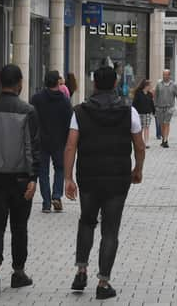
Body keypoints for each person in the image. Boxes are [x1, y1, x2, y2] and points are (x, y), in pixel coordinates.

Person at [64, 66, 145, 300]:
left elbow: (71, 145)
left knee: (87, 221)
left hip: (88, 176)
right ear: (115, 84)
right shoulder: (129, 111)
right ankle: (103, 282)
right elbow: (139, 145)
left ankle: (81, 270)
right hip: (118, 178)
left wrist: (68, 177)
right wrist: (137, 169)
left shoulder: (79, 111)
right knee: (110, 229)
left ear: (95, 84)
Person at [0, 64, 41, 299]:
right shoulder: (27, 111)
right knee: (19, 226)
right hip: (20, 178)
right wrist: (34, 178)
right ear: (19, 83)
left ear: (0, 81)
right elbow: (33, 148)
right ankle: (18, 272)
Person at [31, 70, 73, 213]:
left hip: (41, 141)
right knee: (60, 169)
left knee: (42, 172)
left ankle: (46, 203)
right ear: (57, 82)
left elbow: (31, 120)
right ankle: (56, 195)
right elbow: (69, 123)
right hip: (59, 141)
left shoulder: (36, 99)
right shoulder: (65, 101)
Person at [154, 69, 177, 148]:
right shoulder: (159, 84)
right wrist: (155, 106)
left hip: (169, 108)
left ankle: (165, 140)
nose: (164, 76)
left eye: (166, 74)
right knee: (162, 124)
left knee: (166, 123)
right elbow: (155, 96)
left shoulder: (173, 85)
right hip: (160, 107)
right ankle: (163, 138)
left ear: (169, 75)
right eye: (163, 74)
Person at [132, 79, 156, 149]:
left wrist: (154, 112)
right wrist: (133, 112)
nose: (150, 87)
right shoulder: (138, 93)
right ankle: (140, 141)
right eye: (149, 85)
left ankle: (146, 143)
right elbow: (134, 103)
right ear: (146, 86)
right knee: (140, 128)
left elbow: (152, 103)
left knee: (147, 128)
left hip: (147, 113)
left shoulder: (150, 94)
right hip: (140, 113)